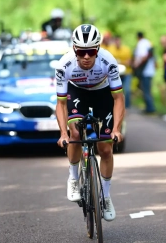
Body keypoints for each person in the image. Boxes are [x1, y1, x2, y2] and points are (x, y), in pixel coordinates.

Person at [55, 24, 125, 222]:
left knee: (105, 149)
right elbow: (60, 104)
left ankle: (106, 196)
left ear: (98, 49)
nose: (87, 57)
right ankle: (73, 178)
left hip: (103, 94)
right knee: (76, 134)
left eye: (92, 51)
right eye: (82, 52)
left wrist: (117, 130)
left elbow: (119, 99)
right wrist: (63, 133)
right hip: (77, 93)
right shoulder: (64, 65)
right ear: (75, 50)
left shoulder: (108, 61)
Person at [133, 31, 156, 114]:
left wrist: (136, 65)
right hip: (150, 70)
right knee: (147, 90)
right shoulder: (148, 43)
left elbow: (143, 57)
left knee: (146, 90)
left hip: (145, 71)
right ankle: (149, 107)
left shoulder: (141, 44)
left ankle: (150, 108)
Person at [111, 35, 133, 109]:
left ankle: (126, 106)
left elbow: (129, 62)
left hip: (127, 73)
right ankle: (117, 104)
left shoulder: (126, 49)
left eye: (118, 41)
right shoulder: (111, 49)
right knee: (116, 90)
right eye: (116, 41)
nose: (117, 42)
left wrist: (119, 61)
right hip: (116, 74)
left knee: (127, 89)